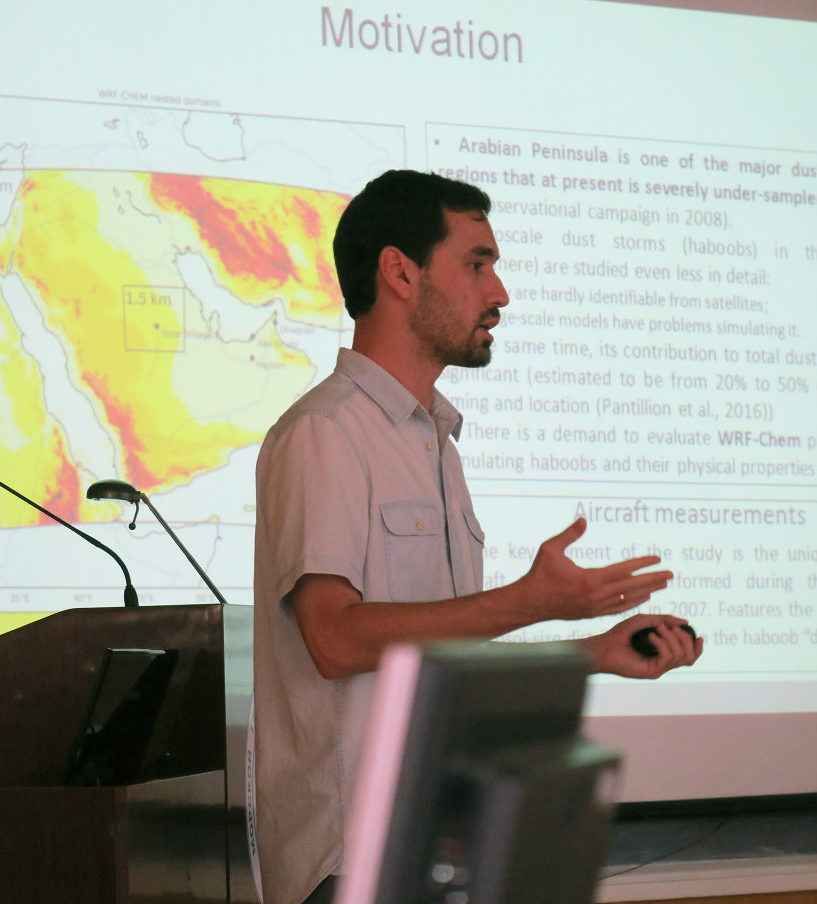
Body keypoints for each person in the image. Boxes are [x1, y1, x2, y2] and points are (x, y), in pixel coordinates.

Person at [252, 169, 703, 904]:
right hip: (353, 864)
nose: (500, 293)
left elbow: (437, 657)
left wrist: (591, 652)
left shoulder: (437, 444)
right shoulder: (325, 432)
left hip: (431, 849)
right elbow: (334, 640)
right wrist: (531, 601)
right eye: (476, 263)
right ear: (400, 272)